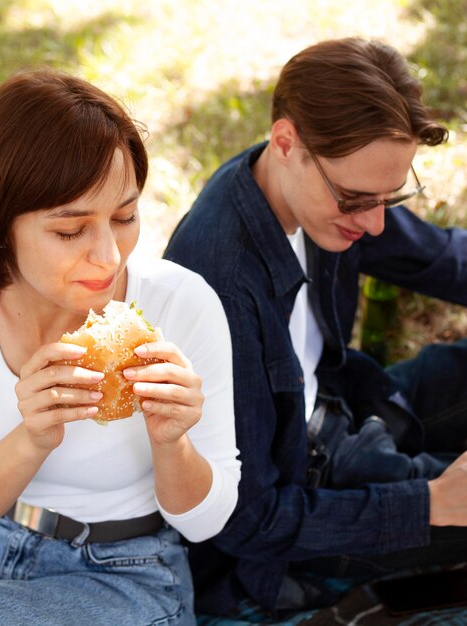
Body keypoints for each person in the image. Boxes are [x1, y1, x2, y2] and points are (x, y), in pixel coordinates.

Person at [0, 69, 240, 626]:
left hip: (129, 573)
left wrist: (172, 441)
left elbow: (207, 522)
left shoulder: (181, 303)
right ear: (0, 225)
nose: (108, 254)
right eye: (71, 230)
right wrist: (32, 437)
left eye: (124, 217)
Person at [164, 37, 467, 620]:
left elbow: (437, 258)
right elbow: (248, 520)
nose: (376, 224)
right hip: (300, 518)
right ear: (286, 144)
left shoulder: (315, 192)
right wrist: (429, 503)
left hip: (344, 410)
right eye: (357, 200)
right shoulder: (220, 285)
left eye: (391, 197)